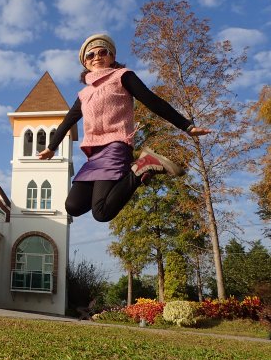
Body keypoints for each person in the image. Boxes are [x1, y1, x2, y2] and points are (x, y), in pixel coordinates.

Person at [38, 33, 210, 223]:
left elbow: (152, 101)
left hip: (115, 146)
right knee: (73, 206)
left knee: (101, 212)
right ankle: (139, 169)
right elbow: (68, 121)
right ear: (85, 63)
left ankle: (142, 166)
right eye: (90, 55)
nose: (96, 57)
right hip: (94, 155)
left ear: (111, 57)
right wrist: (51, 148)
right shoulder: (84, 94)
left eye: (102, 52)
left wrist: (185, 125)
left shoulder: (122, 76)